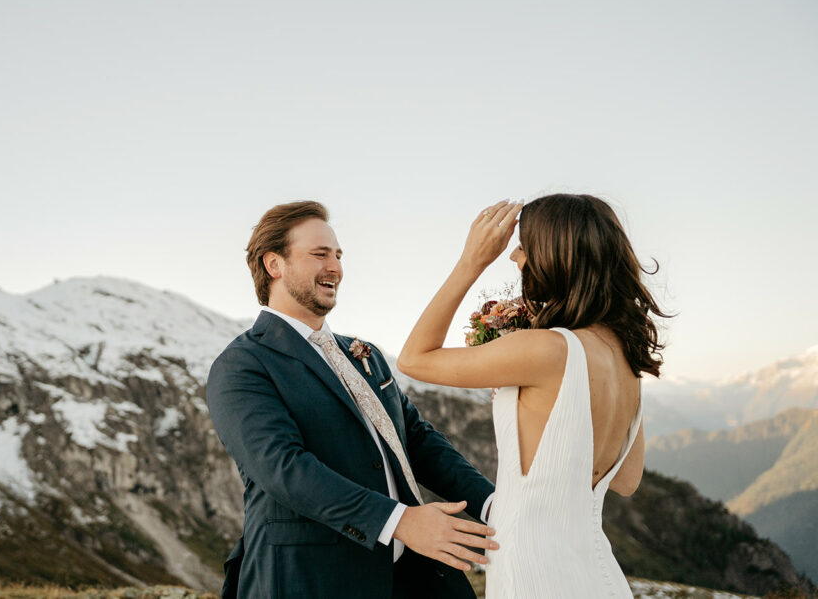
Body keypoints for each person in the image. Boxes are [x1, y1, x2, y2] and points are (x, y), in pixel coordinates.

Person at [207, 201, 498, 599]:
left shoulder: (365, 354)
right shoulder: (242, 365)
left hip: (411, 578)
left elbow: (416, 439)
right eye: (320, 254)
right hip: (306, 581)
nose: (336, 268)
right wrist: (400, 523)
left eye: (339, 255)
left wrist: (492, 504)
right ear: (274, 264)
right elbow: (283, 469)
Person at [398, 195, 666, 598]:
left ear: (555, 256)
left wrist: (471, 261)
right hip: (595, 572)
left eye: (523, 245)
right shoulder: (627, 359)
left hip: (533, 568)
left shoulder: (546, 349)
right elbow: (626, 480)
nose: (514, 256)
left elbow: (414, 358)